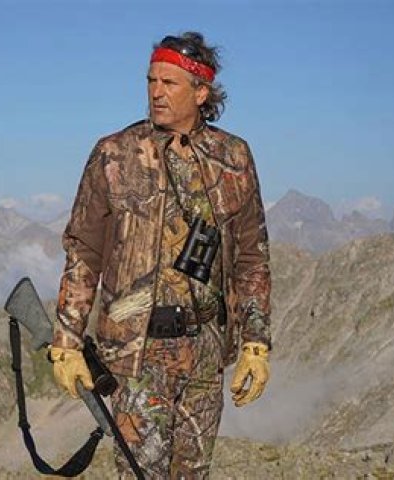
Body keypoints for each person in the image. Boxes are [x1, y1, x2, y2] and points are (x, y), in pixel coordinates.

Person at [49, 32, 272, 479]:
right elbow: (84, 250)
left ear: (201, 91)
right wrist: (67, 339)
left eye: (169, 83)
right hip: (137, 354)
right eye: (151, 80)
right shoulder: (114, 154)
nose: (156, 92)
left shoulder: (234, 157)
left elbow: (252, 254)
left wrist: (256, 342)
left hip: (206, 351)